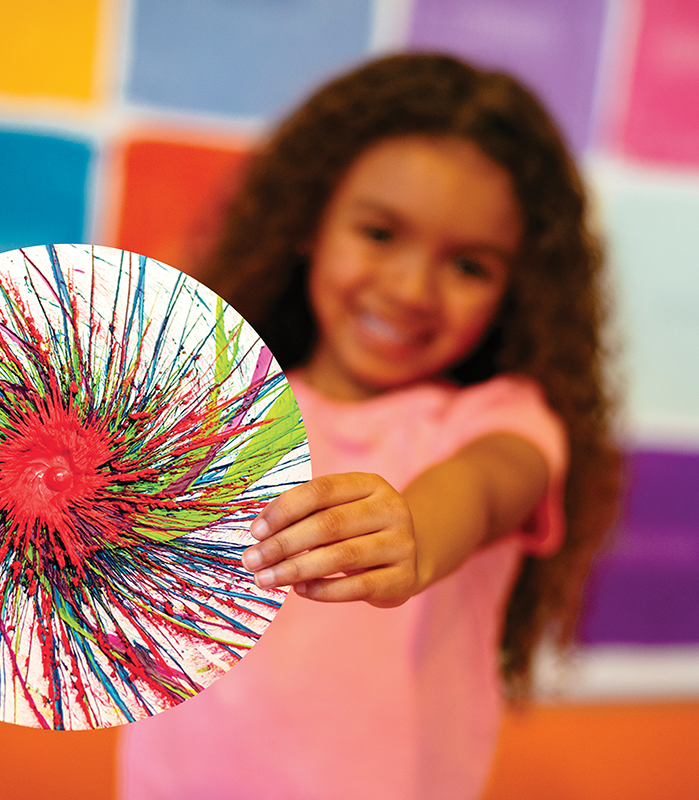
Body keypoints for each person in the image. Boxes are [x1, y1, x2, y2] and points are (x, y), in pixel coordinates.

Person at [119, 53, 620, 800]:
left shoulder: (502, 417)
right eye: (381, 234)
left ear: (520, 291)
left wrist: (415, 528)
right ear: (308, 222)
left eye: (471, 267)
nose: (412, 289)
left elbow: (484, 488)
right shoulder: (210, 402)